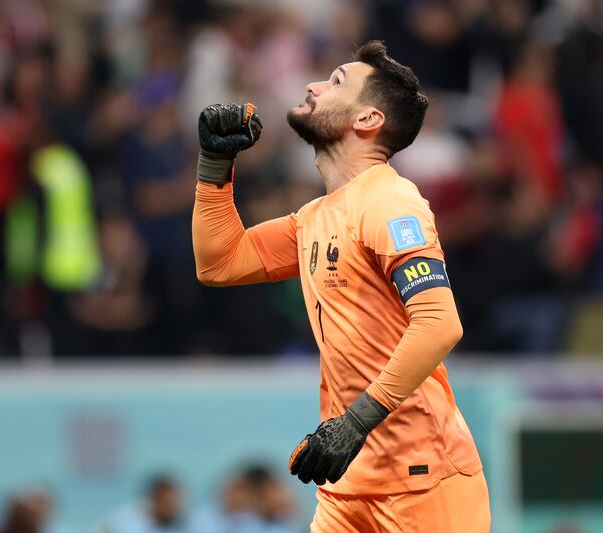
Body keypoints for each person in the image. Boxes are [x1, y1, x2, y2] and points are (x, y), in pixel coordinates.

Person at [192, 41, 489, 532]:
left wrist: (354, 423)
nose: (312, 85)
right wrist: (214, 166)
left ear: (368, 120)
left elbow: (439, 324)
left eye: (335, 83)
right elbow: (221, 262)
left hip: (423, 481)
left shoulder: (391, 203)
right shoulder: (316, 217)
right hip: (346, 482)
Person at [101, 475, 187, 533]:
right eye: (169, 502)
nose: (174, 506)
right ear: (155, 499)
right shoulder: (124, 522)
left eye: (177, 501)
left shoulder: (180, 523)